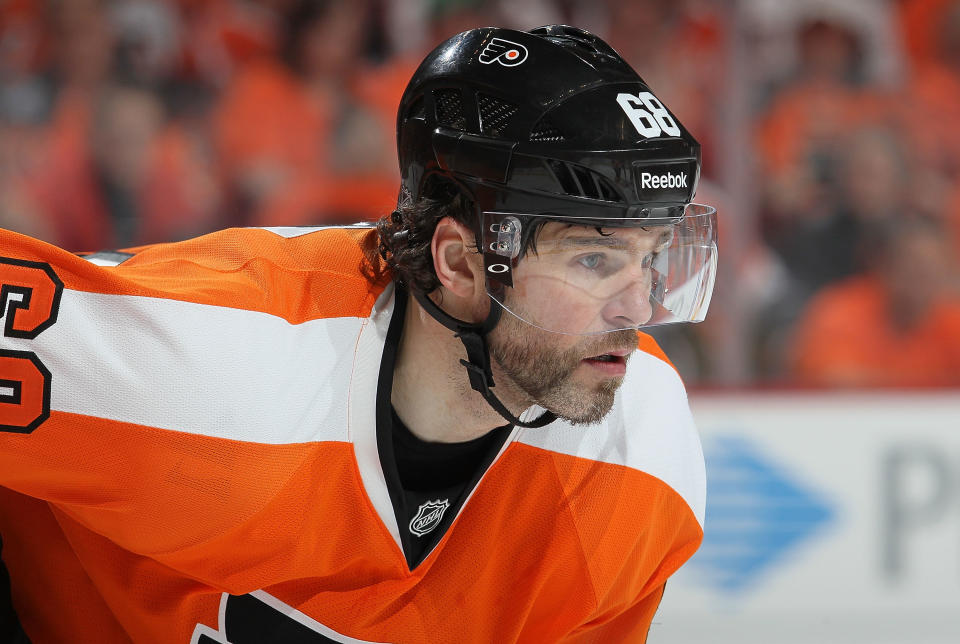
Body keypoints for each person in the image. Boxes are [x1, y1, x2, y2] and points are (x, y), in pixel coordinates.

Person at [0, 25, 716, 643]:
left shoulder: (639, 456)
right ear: (461, 263)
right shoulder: (225, 360)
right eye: (595, 259)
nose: (639, 309)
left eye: (650, 259)